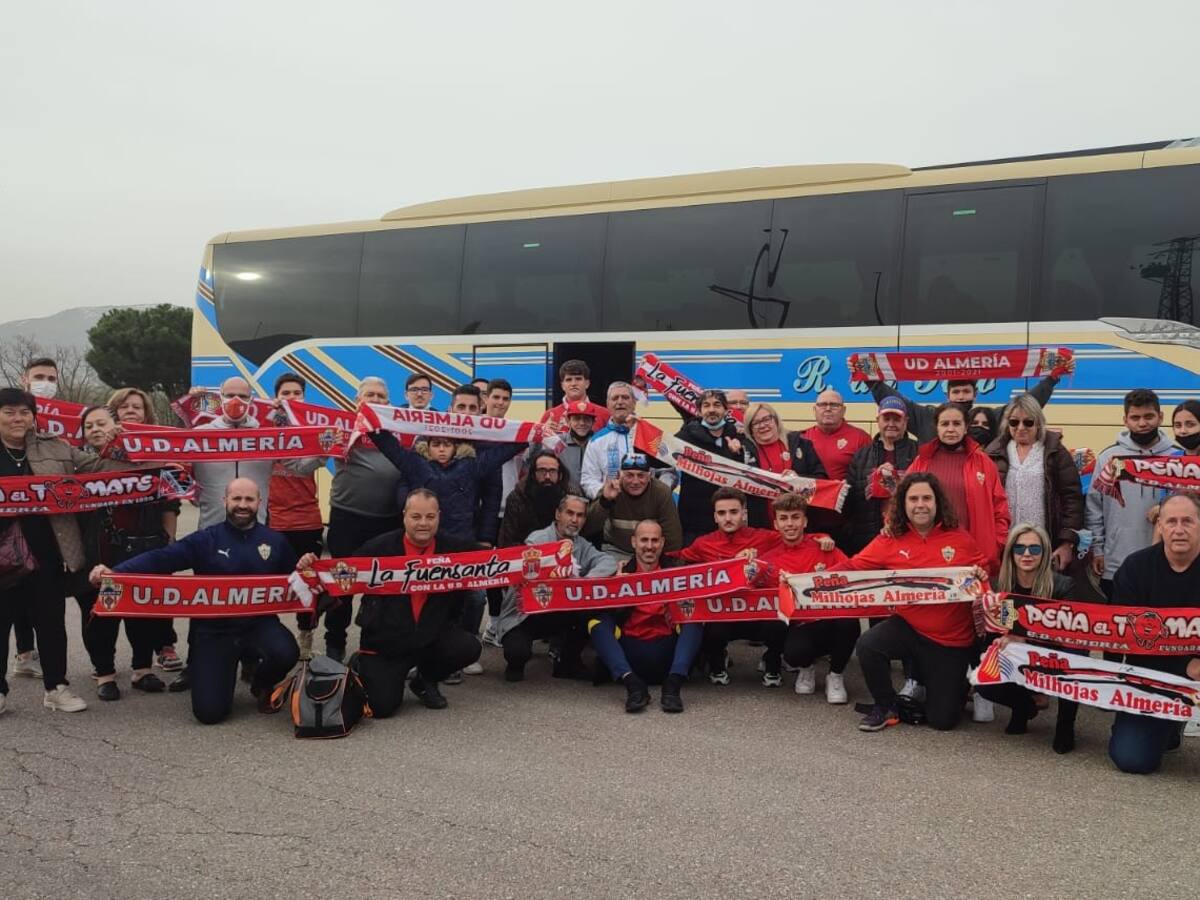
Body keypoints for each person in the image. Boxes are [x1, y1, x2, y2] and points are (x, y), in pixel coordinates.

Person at [90, 478, 309, 724]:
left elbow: (296, 578)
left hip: (259, 624)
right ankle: (216, 672)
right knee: (209, 714)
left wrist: (306, 567)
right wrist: (116, 572)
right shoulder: (206, 539)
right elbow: (162, 558)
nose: (242, 505)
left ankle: (261, 683)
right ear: (224, 501)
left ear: (259, 502)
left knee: (287, 652)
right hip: (215, 630)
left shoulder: (275, 540)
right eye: (236, 499)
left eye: (249, 499)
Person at [0, 387, 149, 714]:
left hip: (49, 553)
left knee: (51, 623)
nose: (18, 418)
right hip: (2, 557)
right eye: (9, 411)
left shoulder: (57, 448)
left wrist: (137, 454)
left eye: (24, 412)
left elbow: (100, 467)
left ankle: (57, 688)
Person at [842, 472, 989, 732]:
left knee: (942, 721)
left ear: (937, 502)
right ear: (903, 504)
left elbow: (982, 571)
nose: (920, 504)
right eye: (913, 499)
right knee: (868, 644)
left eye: (926, 498)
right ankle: (886, 706)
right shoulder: (889, 539)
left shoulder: (959, 538)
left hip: (950, 640)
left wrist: (981, 576)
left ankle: (956, 684)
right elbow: (852, 567)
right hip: (910, 626)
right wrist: (816, 564)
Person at [348, 489, 484, 715]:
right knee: (381, 708)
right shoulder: (378, 549)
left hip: (431, 637)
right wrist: (311, 569)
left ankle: (425, 680)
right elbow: (340, 577)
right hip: (387, 643)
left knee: (467, 647)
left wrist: (541, 559)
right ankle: (364, 664)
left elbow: (502, 563)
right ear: (404, 516)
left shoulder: (456, 549)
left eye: (430, 517)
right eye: (416, 517)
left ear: (439, 516)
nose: (423, 523)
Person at [72, 405, 166, 700]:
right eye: (89, 426)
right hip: (100, 552)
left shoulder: (144, 459)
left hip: (139, 549)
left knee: (141, 612)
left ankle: (142, 669)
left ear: (118, 426)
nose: (96, 429)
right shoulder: (75, 464)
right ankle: (105, 674)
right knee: (101, 614)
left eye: (102, 423)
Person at [1106, 492, 1200, 774]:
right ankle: (1167, 725)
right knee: (1132, 759)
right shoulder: (1135, 568)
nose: (1179, 529)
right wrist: (1185, 664)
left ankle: (1171, 720)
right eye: (1171, 521)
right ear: (1159, 526)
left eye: (1188, 521)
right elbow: (1125, 640)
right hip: (1151, 674)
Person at [324, 376, 407, 661]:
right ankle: (334, 643)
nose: (375, 400)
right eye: (369, 395)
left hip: (387, 521)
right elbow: (306, 434)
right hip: (348, 519)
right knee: (342, 586)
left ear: (388, 403)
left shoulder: (400, 429)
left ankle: (374, 645)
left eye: (381, 396)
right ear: (357, 401)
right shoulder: (341, 427)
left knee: (381, 587)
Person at [492, 495, 618, 681]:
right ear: (558, 514)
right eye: (570, 513)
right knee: (516, 652)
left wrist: (585, 581)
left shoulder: (581, 545)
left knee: (592, 608)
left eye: (580, 515)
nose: (575, 520)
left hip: (557, 611)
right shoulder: (537, 541)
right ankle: (515, 663)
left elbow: (607, 561)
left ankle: (567, 662)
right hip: (525, 614)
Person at [976, 524, 1079, 749]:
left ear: (1044, 553)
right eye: (1020, 548)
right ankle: (1023, 706)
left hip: (1053, 653)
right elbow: (991, 626)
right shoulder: (999, 585)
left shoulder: (1063, 586)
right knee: (983, 671)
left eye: (1034, 549)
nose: (1026, 554)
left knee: (1075, 654)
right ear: (1011, 552)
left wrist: (1026, 639)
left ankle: (1065, 725)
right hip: (1015, 653)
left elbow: (1070, 636)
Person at [109, 386, 185, 677]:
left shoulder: (160, 453)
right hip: (116, 536)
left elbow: (171, 504)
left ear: (146, 414)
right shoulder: (101, 452)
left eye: (137, 407)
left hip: (154, 534)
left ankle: (165, 646)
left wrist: (170, 540)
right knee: (122, 597)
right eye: (124, 406)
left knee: (159, 593)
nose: (130, 410)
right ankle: (114, 662)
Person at [587, 520, 703, 713]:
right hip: (631, 654)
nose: (649, 546)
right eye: (644, 540)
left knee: (695, 617)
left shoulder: (678, 570)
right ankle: (633, 687)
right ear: (633, 542)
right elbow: (591, 604)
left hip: (668, 653)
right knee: (596, 622)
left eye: (655, 540)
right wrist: (616, 591)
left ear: (663, 542)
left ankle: (673, 687)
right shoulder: (619, 572)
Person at [677, 488, 786, 686]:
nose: (728, 518)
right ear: (715, 517)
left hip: (758, 614)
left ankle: (772, 662)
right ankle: (718, 665)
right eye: (722, 513)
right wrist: (633, 564)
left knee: (779, 624)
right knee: (711, 629)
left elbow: (797, 538)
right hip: (723, 616)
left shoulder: (764, 538)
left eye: (734, 512)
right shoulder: (703, 544)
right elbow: (676, 558)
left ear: (744, 513)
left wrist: (822, 539)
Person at [757, 493, 857, 703]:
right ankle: (806, 668)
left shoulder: (825, 548)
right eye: (784, 518)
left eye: (795, 517)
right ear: (776, 524)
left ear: (805, 521)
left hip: (829, 620)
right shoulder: (768, 561)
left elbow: (852, 573)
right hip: (799, 625)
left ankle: (836, 675)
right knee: (792, 650)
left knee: (850, 623)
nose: (790, 524)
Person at [191, 376, 324, 529]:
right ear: (220, 398)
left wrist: (324, 451)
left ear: (251, 400)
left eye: (243, 396)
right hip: (211, 529)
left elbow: (299, 468)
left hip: (255, 530)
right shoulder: (198, 435)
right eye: (229, 395)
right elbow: (183, 475)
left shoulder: (268, 435)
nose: (236, 400)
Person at [1085, 389, 1176, 600]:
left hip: (1168, 563)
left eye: (1149, 416)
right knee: (1121, 627)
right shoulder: (1109, 458)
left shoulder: (1177, 457)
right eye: (1135, 417)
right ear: (1125, 420)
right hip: (1117, 562)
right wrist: (1097, 550)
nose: (1142, 423)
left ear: (1160, 417)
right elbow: (1094, 507)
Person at [908, 403, 1010, 576]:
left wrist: (995, 544)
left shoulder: (984, 463)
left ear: (965, 428)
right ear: (936, 427)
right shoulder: (922, 462)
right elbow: (902, 501)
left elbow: (1000, 510)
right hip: (930, 554)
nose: (950, 429)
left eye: (956, 424)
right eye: (945, 424)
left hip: (975, 556)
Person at [984, 395, 1084, 573]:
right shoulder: (992, 453)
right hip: (1005, 546)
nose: (1020, 428)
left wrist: (1066, 543)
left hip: (1045, 545)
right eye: (1014, 422)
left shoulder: (1055, 451)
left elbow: (1072, 500)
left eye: (1028, 422)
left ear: (1039, 422)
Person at [267, 373, 325, 658]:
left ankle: (305, 638)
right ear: (277, 396)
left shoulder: (313, 427)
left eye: (297, 393)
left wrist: (325, 450)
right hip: (275, 520)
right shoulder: (263, 424)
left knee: (309, 581)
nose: (292, 397)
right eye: (286, 392)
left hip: (308, 519)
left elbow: (304, 467)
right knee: (271, 583)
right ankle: (268, 635)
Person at [868, 364, 1069, 443]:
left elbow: (1025, 406)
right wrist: (870, 380)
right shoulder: (929, 417)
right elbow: (899, 402)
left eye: (966, 391)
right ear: (948, 395)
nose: (961, 397)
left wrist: (1051, 380)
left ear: (976, 394)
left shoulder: (987, 418)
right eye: (956, 392)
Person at [843, 397, 919, 555]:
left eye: (897, 419)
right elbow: (850, 500)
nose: (891, 424)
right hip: (868, 539)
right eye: (886, 418)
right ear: (877, 420)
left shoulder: (918, 453)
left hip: (908, 536)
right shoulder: (861, 455)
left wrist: (895, 480)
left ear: (906, 421)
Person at [675, 389, 747, 545]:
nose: (712, 410)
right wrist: (637, 432)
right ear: (700, 411)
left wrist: (738, 454)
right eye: (706, 406)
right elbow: (657, 458)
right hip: (693, 522)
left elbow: (748, 476)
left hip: (728, 521)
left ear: (726, 410)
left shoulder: (738, 436)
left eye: (717, 405)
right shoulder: (685, 436)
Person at [742, 401, 827, 527]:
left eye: (767, 419)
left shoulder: (801, 444)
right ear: (750, 428)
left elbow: (823, 479)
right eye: (756, 423)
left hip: (800, 525)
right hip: (761, 525)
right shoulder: (743, 450)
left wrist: (799, 479)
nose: (763, 425)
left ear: (775, 420)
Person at [584, 453, 682, 560]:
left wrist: (669, 566)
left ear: (649, 476)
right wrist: (605, 501)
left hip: (652, 553)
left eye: (641, 476)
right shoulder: (611, 489)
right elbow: (588, 528)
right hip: (617, 551)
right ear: (620, 475)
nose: (635, 482)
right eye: (629, 475)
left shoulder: (661, 492)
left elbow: (672, 537)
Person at [581, 382, 641, 498]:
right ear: (608, 405)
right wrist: (606, 491)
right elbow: (588, 480)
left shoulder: (649, 434)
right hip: (612, 506)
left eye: (625, 397)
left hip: (645, 507)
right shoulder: (597, 441)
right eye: (615, 398)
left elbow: (668, 471)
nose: (620, 402)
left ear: (634, 403)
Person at [802, 389, 872, 483]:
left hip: (848, 496)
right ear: (814, 410)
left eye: (834, 405)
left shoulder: (861, 438)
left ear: (843, 410)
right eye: (822, 405)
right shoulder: (802, 438)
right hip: (811, 496)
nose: (828, 409)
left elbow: (867, 477)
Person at [539, 359, 609, 432]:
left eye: (578, 379)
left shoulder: (605, 414)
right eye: (568, 380)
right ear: (562, 385)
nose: (573, 384)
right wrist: (543, 433)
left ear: (587, 383)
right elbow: (537, 442)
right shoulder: (549, 415)